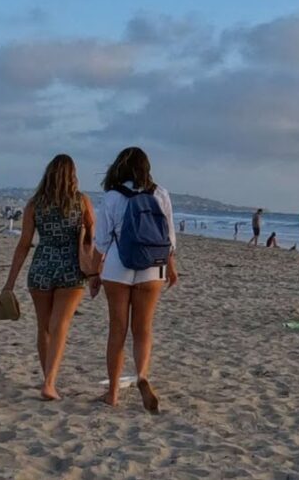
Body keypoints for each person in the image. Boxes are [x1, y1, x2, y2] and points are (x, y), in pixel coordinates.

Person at [0, 155, 94, 400]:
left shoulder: (35, 204)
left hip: (41, 267)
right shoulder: (82, 201)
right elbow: (91, 237)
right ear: (73, 175)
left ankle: (48, 381)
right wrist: (95, 271)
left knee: (44, 327)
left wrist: (10, 283)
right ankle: (50, 382)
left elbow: (24, 244)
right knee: (60, 324)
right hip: (71, 269)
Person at [94, 147, 178, 412]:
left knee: (117, 329)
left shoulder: (112, 196)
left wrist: (95, 273)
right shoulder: (160, 193)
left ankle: (112, 393)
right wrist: (171, 267)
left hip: (118, 265)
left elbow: (102, 241)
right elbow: (169, 238)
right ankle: (141, 375)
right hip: (152, 268)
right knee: (143, 328)